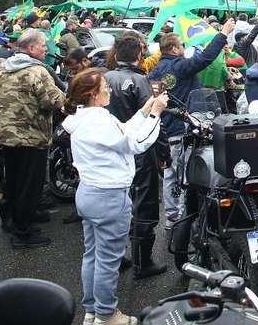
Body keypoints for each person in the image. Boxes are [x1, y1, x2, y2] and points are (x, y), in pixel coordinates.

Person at [63, 68, 167, 325]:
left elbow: (122, 133)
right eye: (104, 87)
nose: (109, 89)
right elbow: (136, 143)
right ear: (92, 94)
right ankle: (107, 315)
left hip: (88, 193)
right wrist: (156, 114)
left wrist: (144, 111)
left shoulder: (86, 118)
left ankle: (93, 311)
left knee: (93, 255)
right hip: (109, 196)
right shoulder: (99, 120)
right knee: (108, 260)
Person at [148, 19, 234, 229]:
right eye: (182, 45)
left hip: (163, 128)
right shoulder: (179, 66)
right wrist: (223, 33)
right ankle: (186, 215)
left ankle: (172, 216)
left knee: (170, 173)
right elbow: (205, 58)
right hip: (181, 129)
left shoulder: (156, 71)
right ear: (174, 48)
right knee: (187, 172)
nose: (184, 49)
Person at [0, 29, 66, 248]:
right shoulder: (36, 72)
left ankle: (10, 218)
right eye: (42, 46)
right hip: (31, 137)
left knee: (13, 180)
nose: (46, 49)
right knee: (30, 184)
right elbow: (54, 101)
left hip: (5, 136)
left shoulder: (0, 68)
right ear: (30, 48)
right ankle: (23, 232)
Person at [104, 36, 167, 280]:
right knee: (144, 205)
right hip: (138, 151)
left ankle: (117, 257)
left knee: (119, 206)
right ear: (139, 55)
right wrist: (163, 153)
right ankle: (143, 262)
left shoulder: (105, 78)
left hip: (112, 152)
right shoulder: (139, 80)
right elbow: (153, 118)